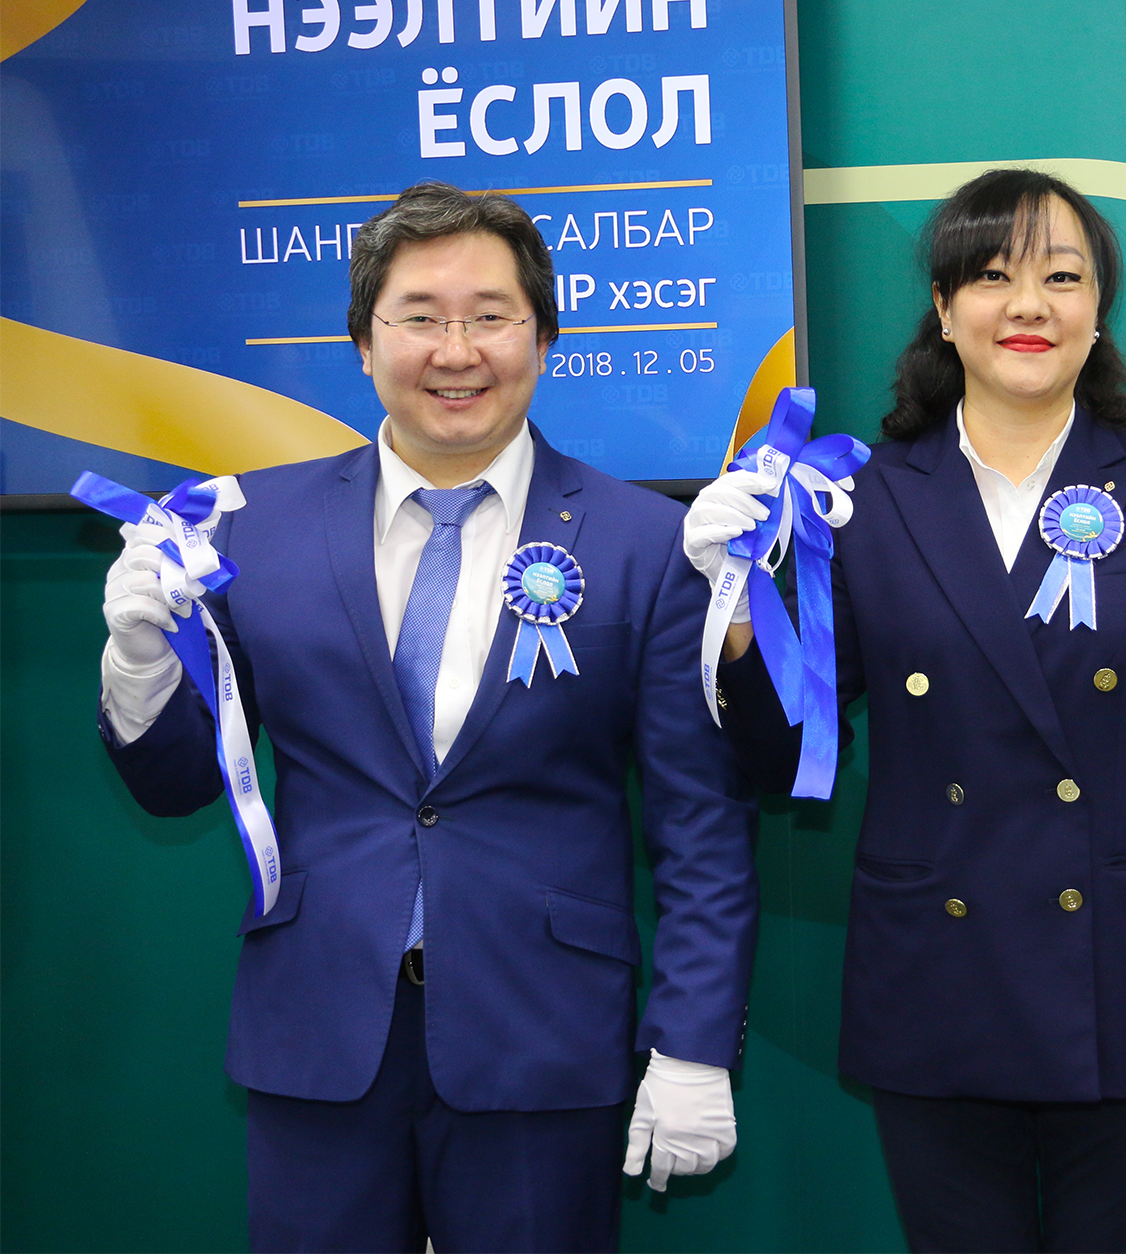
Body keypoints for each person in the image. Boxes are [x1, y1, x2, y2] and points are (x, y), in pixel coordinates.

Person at [96, 182, 756, 1253]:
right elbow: (173, 784)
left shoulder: (646, 544)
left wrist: (691, 1043)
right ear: (364, 343)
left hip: (543, 1038)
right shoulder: (250, 528)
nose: (457, 351)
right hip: (318, 1031)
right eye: (419, 317)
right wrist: (137, 660)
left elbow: (701, 827)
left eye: (491, 315)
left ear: (543, 336)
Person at [682, 169, 1126, 1253]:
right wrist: (733, 604)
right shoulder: (864, 498)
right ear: (945, 309)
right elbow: (782, 753)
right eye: (993, 276)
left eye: (1063, 277)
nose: (1028, 305)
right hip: (936, 979)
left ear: (1098, 311)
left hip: (1122, 978)